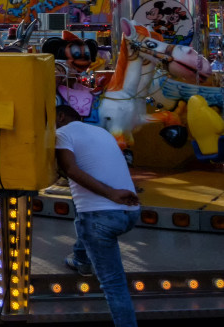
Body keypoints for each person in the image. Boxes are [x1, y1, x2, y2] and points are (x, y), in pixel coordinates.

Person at [55, 104, 140, 327]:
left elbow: (70, 170)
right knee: (82, 216)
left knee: (114, 285)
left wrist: (111, 194)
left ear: (61, 116)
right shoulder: (101, 131)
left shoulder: (62, 133)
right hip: (130, 212)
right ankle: (81, 260)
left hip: (102, 216)